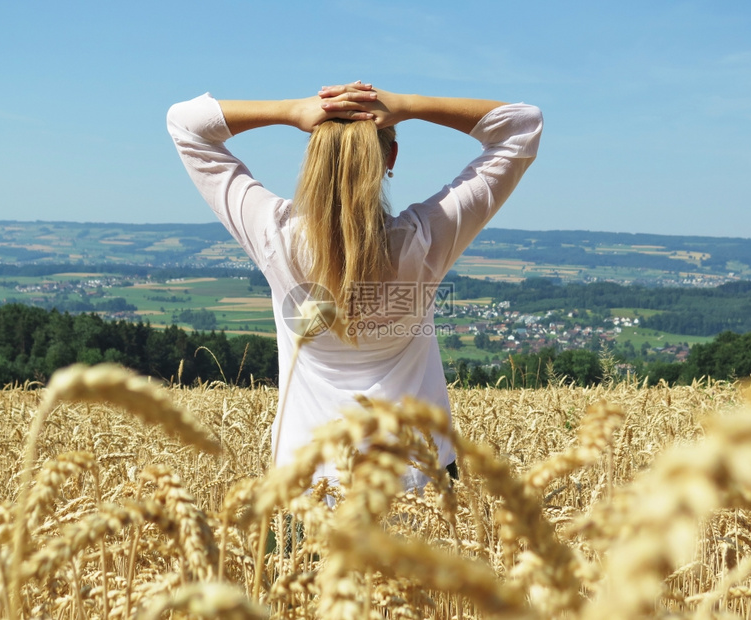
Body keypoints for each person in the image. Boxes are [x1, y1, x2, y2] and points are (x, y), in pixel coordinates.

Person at [167, 81, 543, 491]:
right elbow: (521, 127)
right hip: (418, 480)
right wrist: (407, 105)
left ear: (313, 158)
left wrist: (292, 110)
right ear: (391, 158)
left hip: (304, 484)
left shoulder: (274, 235)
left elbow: (185, 123)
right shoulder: (423, 242)